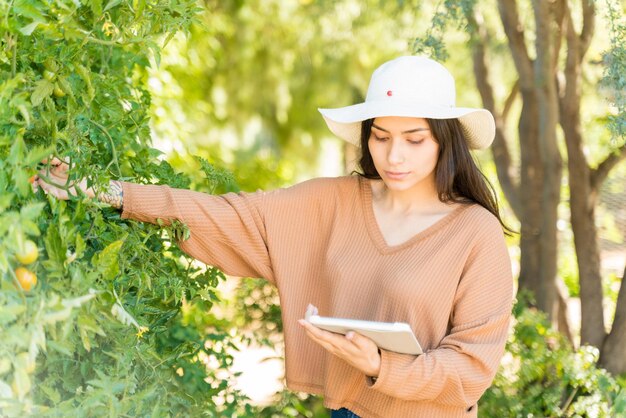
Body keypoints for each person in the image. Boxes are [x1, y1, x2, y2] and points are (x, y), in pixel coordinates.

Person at [34, 56, 514, 418]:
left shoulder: (475, 233)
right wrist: (106, 190)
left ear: (445, 140)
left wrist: (381, 366)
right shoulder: (334, 202)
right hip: (346, 412)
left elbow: (471, 367)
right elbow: (224, 216)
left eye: (415, 139)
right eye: (380, 136)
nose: (393, 156)